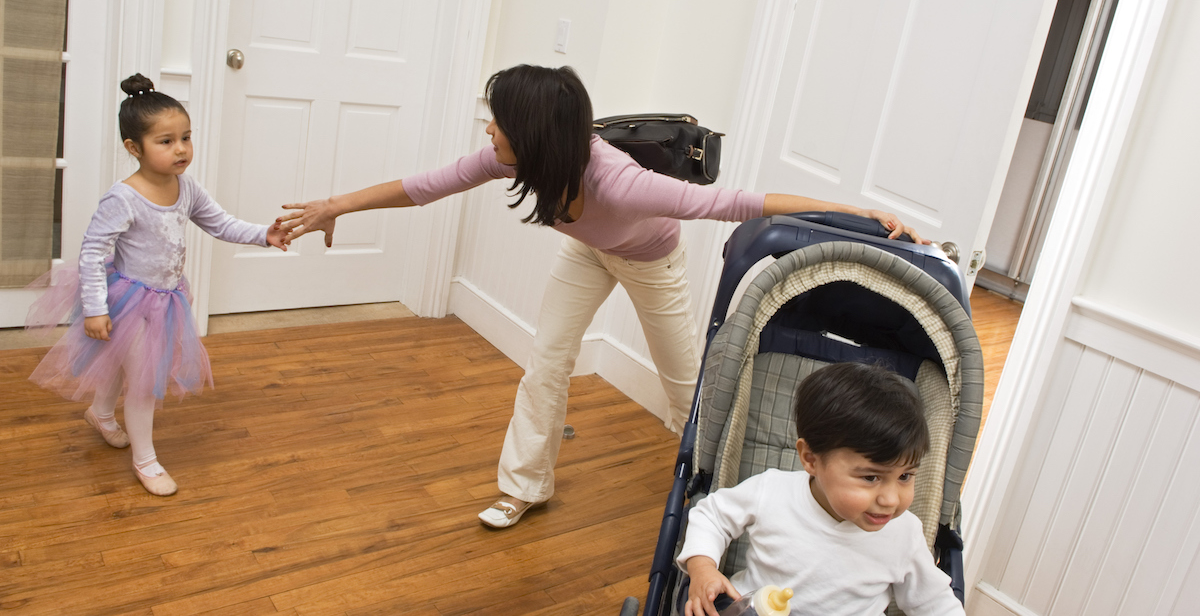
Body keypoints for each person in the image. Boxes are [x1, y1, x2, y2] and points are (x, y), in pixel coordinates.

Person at [276, 64, 930, 528]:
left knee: (684, 388)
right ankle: (524, 487)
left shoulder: (621, 183)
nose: (487, 134)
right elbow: (425, 185)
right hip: (588, 253)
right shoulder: (516, 159)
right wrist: (334, 205)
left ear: (530, 130)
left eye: (495, 123)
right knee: (547, 360)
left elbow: (738, 201)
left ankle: (721, 499)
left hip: (652, 262)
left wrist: (851, 210)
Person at [26, 74, 287, 496]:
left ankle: (101, 413)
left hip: (166, 299)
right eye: (166, 141)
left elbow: (220, 222)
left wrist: (264, 234)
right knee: (144, 380)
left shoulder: (186, 188)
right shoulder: (124, 197)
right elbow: (93, 252)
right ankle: (145, 460)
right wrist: (95, 308)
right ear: (134, 148)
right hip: (126, 299)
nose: (181, 148)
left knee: (129, 367)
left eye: (185, 137)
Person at [677, 362, 964, 616]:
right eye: (871, 478)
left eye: (905, 476)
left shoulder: (904, 535)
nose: (890, 500)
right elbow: (712, 516)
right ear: (811, 459)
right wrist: (703, 568)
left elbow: (935, 603)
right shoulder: (773, 491)